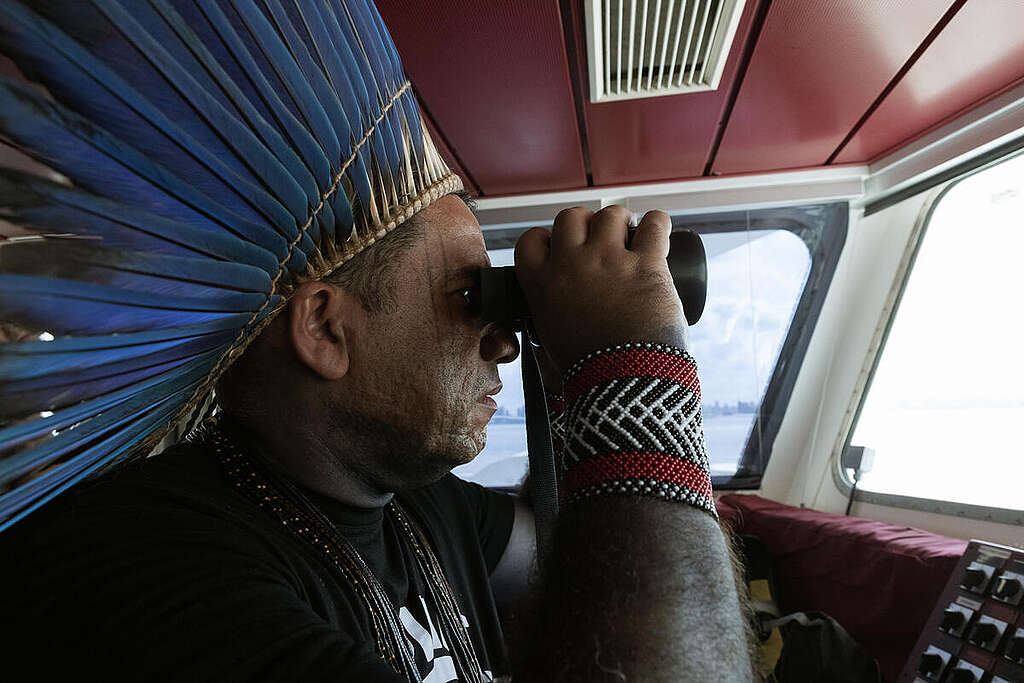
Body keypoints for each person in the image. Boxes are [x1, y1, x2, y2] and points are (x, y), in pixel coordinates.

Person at [0, 1, 752, 680]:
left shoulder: (420, 502)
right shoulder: (152, 575)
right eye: (468, 297)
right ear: (326, 326)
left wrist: (576, 370)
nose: (504, 343)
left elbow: (588, 557)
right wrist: (636, 363)